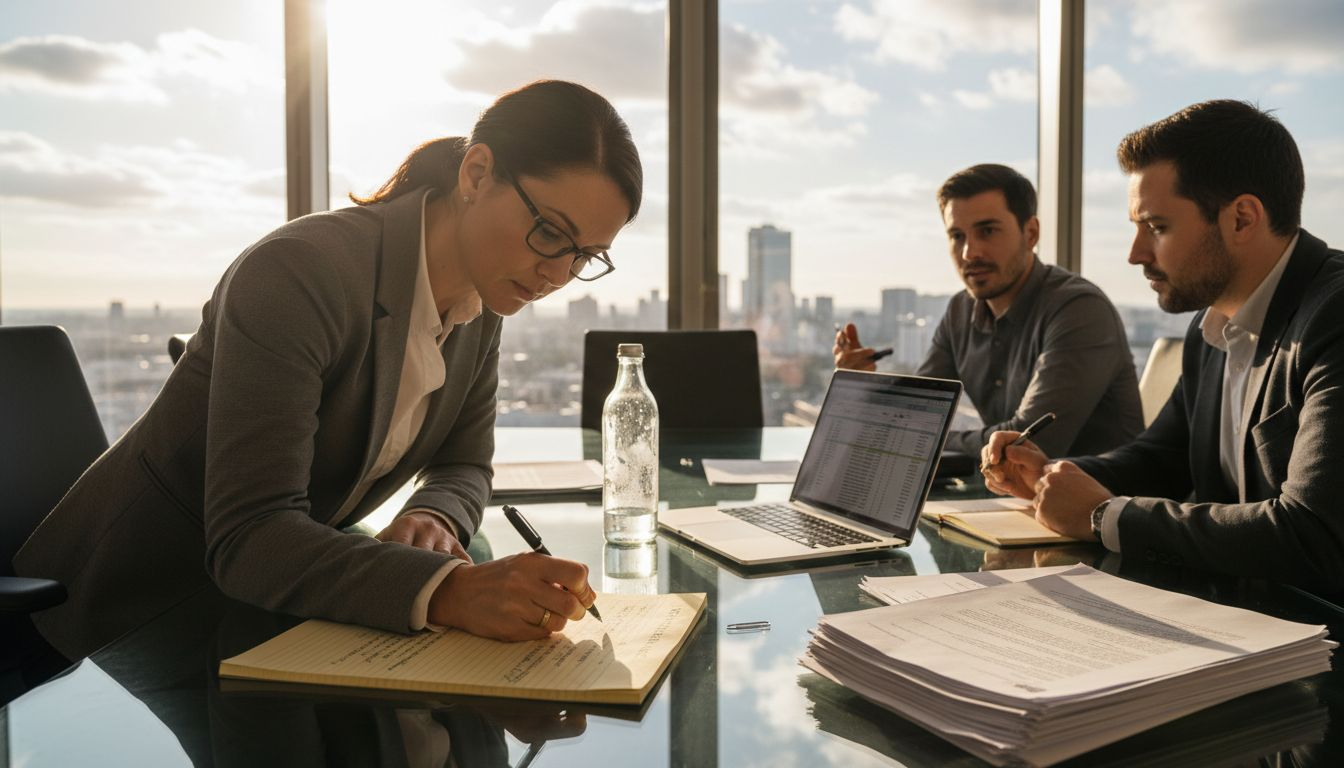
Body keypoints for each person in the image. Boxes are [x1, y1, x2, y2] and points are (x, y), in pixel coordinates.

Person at [15, 80, 642, 660]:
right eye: (551, 234)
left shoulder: (484, 300)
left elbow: (465, 463)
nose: (558, 274)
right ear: (477, 173)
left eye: (586, 255)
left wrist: (437, 517)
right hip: (122, 621)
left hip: (278, 616)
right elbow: (251, 536)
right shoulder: (299, 272)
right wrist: (453, 589)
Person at [981, 99, 1344, 591]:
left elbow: (1313, 534)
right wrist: (1050, 474)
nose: (1135, 254)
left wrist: (1102, 516)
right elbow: (1161, 460)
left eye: (1156, 227)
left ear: (1241, 218)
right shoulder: (1212, 325)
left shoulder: (1334, 316)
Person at [834, 164, 1142, 456]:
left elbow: (1030, 442)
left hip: (1097, 504)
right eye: (957, 236)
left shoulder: (1078, 310)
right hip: (1008, 498)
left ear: (1031, 234)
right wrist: (861, 389)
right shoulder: (960, 310)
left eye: (988, 231)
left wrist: (930, 440)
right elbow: (918, 413)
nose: (970, 252)